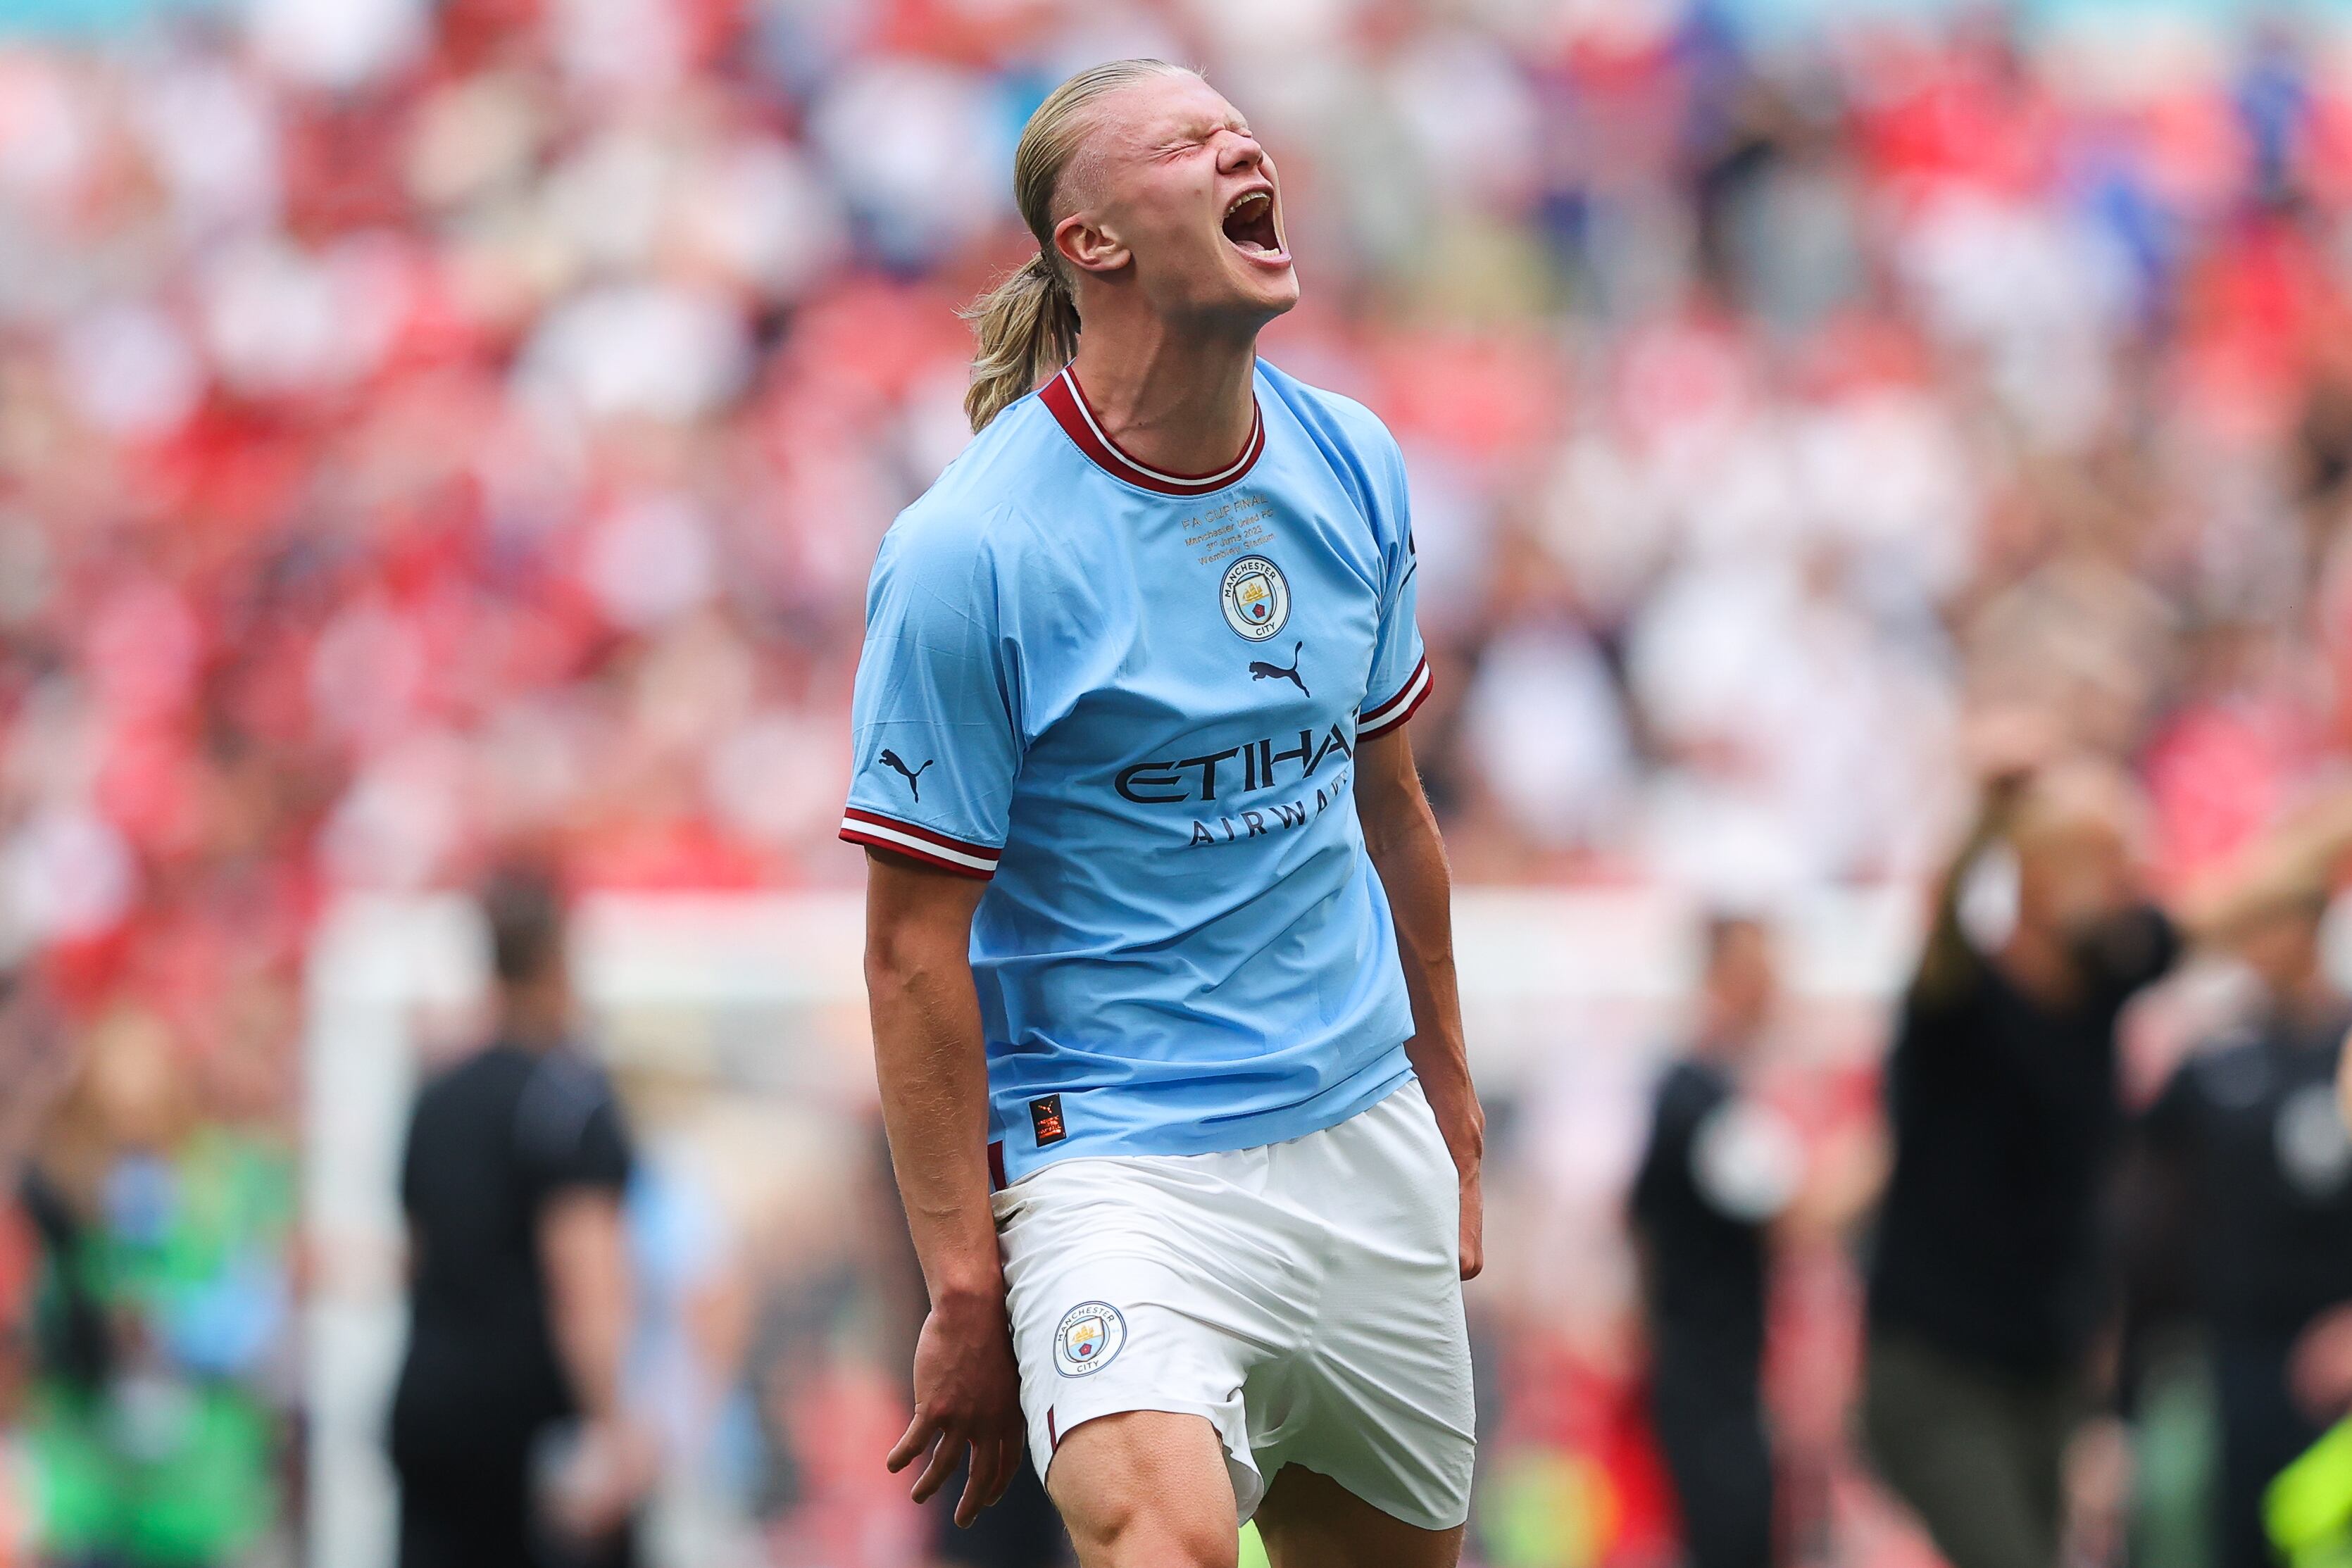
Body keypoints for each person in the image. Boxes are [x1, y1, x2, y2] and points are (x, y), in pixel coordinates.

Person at [843, 58, 1482, 1568]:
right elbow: (908, 953)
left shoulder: (1353, 466)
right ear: (1091, 244)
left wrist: (1447, 1093)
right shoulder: (969, 553)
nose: (1237, 143)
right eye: (1187, 141)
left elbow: (1393, 811)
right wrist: (960, 1284)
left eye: (1237, 128)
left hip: (1356, 1129)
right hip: (1111, 1160)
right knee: (1163, 1542)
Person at [1863, 754, 2352, 1568]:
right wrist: (1988, 815)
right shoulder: (1955, 1007)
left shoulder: (2102, 981)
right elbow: (1940, 933)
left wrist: (2333, 822)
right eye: (2110, 862)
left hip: (2039, 1368)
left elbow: (2236, 903)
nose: (2133, 883)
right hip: (1939, 1369)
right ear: (2043, 882)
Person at [389, 866, 647, 1568]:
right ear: (559, 962)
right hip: (528, 1425)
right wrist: (611, 1423)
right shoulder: (569, 1101)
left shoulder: (436, 1099)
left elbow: (416, 1255)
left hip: (431, 1408)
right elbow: (584, 1278)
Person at [2127, 886, 2352, 1568]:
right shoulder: (2214, 1059)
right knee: (2227, 1533)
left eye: (2272, 920)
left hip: (2332, 1351)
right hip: (2234, 1350)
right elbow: (2142, 1203)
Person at [1629, 914, 1801, 1568]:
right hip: (1709, 1377)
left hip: (1710, 1369)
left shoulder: (1702, 1096)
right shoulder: (1701, 1103)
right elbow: (1796, 1214)